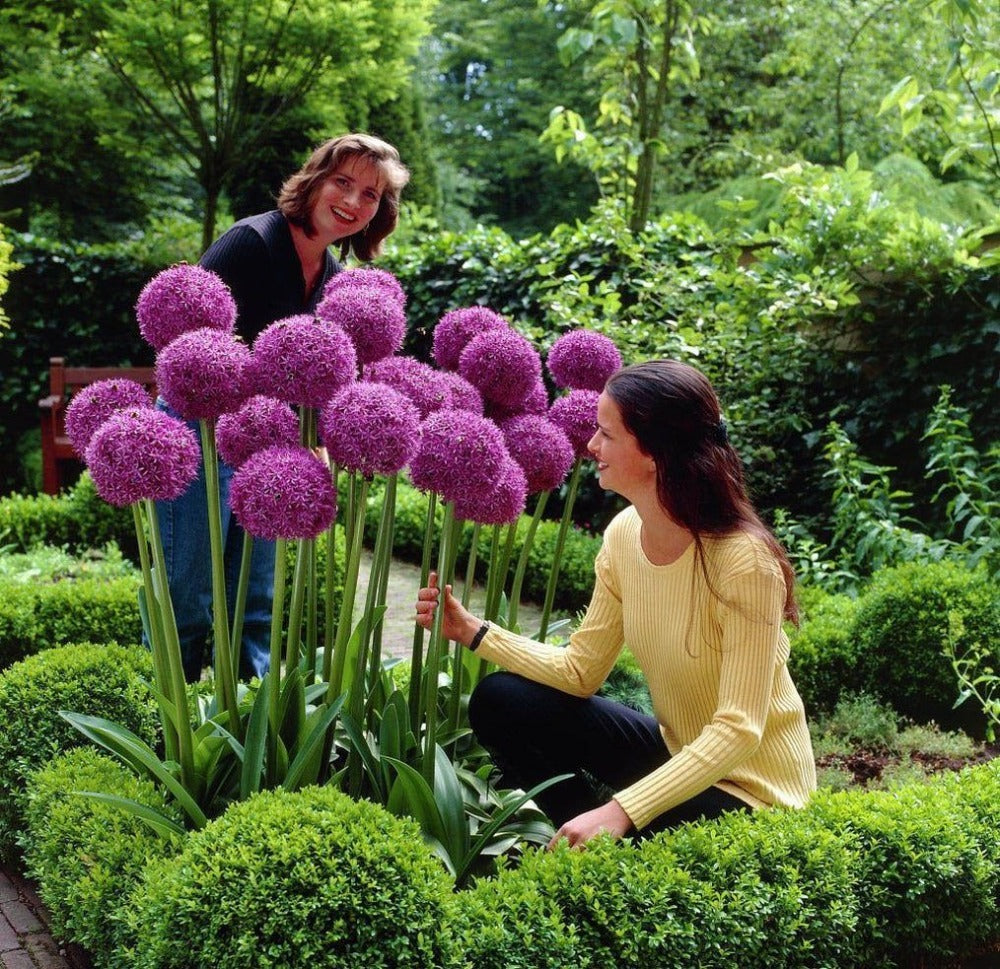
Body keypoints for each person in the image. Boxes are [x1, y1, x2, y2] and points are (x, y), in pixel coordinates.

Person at [415, 359, 816, 847]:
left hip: (756, 795)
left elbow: (738, 730)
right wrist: (475, 633)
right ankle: (596, 842)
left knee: (647, 816)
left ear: (653, 452)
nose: (591, 446)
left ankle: (613, 835)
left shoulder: (744, 562)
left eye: (607, 434)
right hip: (680, 755)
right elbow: (581, 671)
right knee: (502, 702)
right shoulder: (625, 535)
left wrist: (622, 808)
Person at [158, 133, 410, 681]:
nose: (351, 201)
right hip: (196, 434)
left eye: (370, 195)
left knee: (254, 602)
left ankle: (252, 721)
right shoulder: (251, 242)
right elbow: (186, 344)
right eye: (343, 182)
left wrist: (319, 438)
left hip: (266, 445)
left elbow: (319, 380)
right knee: (188, 596)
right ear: (315, 179)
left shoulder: (336, 282)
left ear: (378, 213)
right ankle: (171, 725)